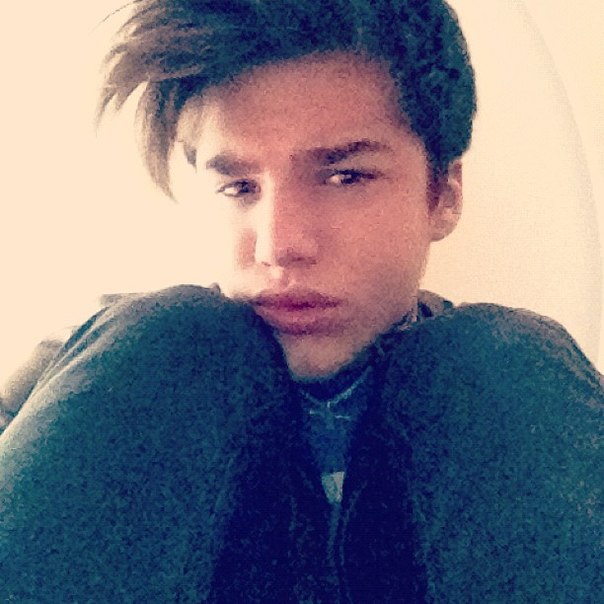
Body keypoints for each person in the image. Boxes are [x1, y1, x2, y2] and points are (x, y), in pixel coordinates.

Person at [1, 1, 602, 601]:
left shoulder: (511, 395)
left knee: (500, 359)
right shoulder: (105, 375)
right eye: (239, 187)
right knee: (172, 343)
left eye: (346, 177)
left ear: (443, 192)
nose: (279, 245)